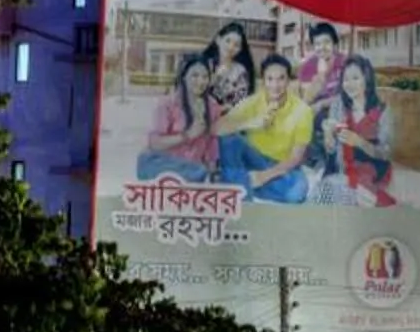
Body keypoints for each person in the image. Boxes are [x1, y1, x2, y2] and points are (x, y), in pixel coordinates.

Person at [216, 55, 318, 203]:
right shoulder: (252, 102)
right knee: (228, 139)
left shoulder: (302, 111)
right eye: (270, 79)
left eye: (281, 79)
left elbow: (295, 158)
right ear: (263, 81)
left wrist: (263, 176)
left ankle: (241, 184)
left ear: (288, 80)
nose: (275, 85)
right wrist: (251, 123)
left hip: (283, 166)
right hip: (254, 159)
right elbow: (217, 128)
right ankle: (244, 189)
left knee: (296, 193)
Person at [318, 54, 396, 205]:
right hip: (343, 166)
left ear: (367, 79)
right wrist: (328, 137)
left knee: (355, 197)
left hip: (371, 168)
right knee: (325, 194)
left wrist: (360, 142)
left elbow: (386, 153)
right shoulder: (338, 106)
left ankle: (379, 202)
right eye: (346, 79)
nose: (350, 84)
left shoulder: (382, 111)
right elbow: (331, 151)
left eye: (355, 78)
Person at [135, 48, 221, 180]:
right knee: (196, 171)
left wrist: (213, 170)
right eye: (195, 75)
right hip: (164, 164)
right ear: (183, 76)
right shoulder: (168, 104)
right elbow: (154, 143)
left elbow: (212, 143)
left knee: (199, 171)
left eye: (205, 77)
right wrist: (187, 135)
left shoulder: (212, 106)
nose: (200, 81)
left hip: (192, 169)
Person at [206, 20, 257, 111]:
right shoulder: (204, 65)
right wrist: (215, 78)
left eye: (236, 45)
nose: (230, 47)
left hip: (229, 120)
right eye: (227, 41)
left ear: (240, 49)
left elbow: (241, 103)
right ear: (218, 40)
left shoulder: (240, 71)